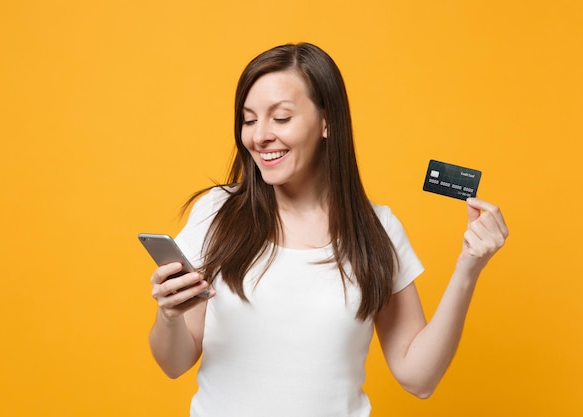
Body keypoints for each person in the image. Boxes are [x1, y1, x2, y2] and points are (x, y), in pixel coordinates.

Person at [148, 42, 508, 417]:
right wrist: (169, 316)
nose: (260, 136)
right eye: (249, 120)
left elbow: (419, 378)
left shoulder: (376, 229)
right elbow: (174, 363)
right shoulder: (216, 213)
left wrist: (468, 269)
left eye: (281, 118)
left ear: (326, 122)